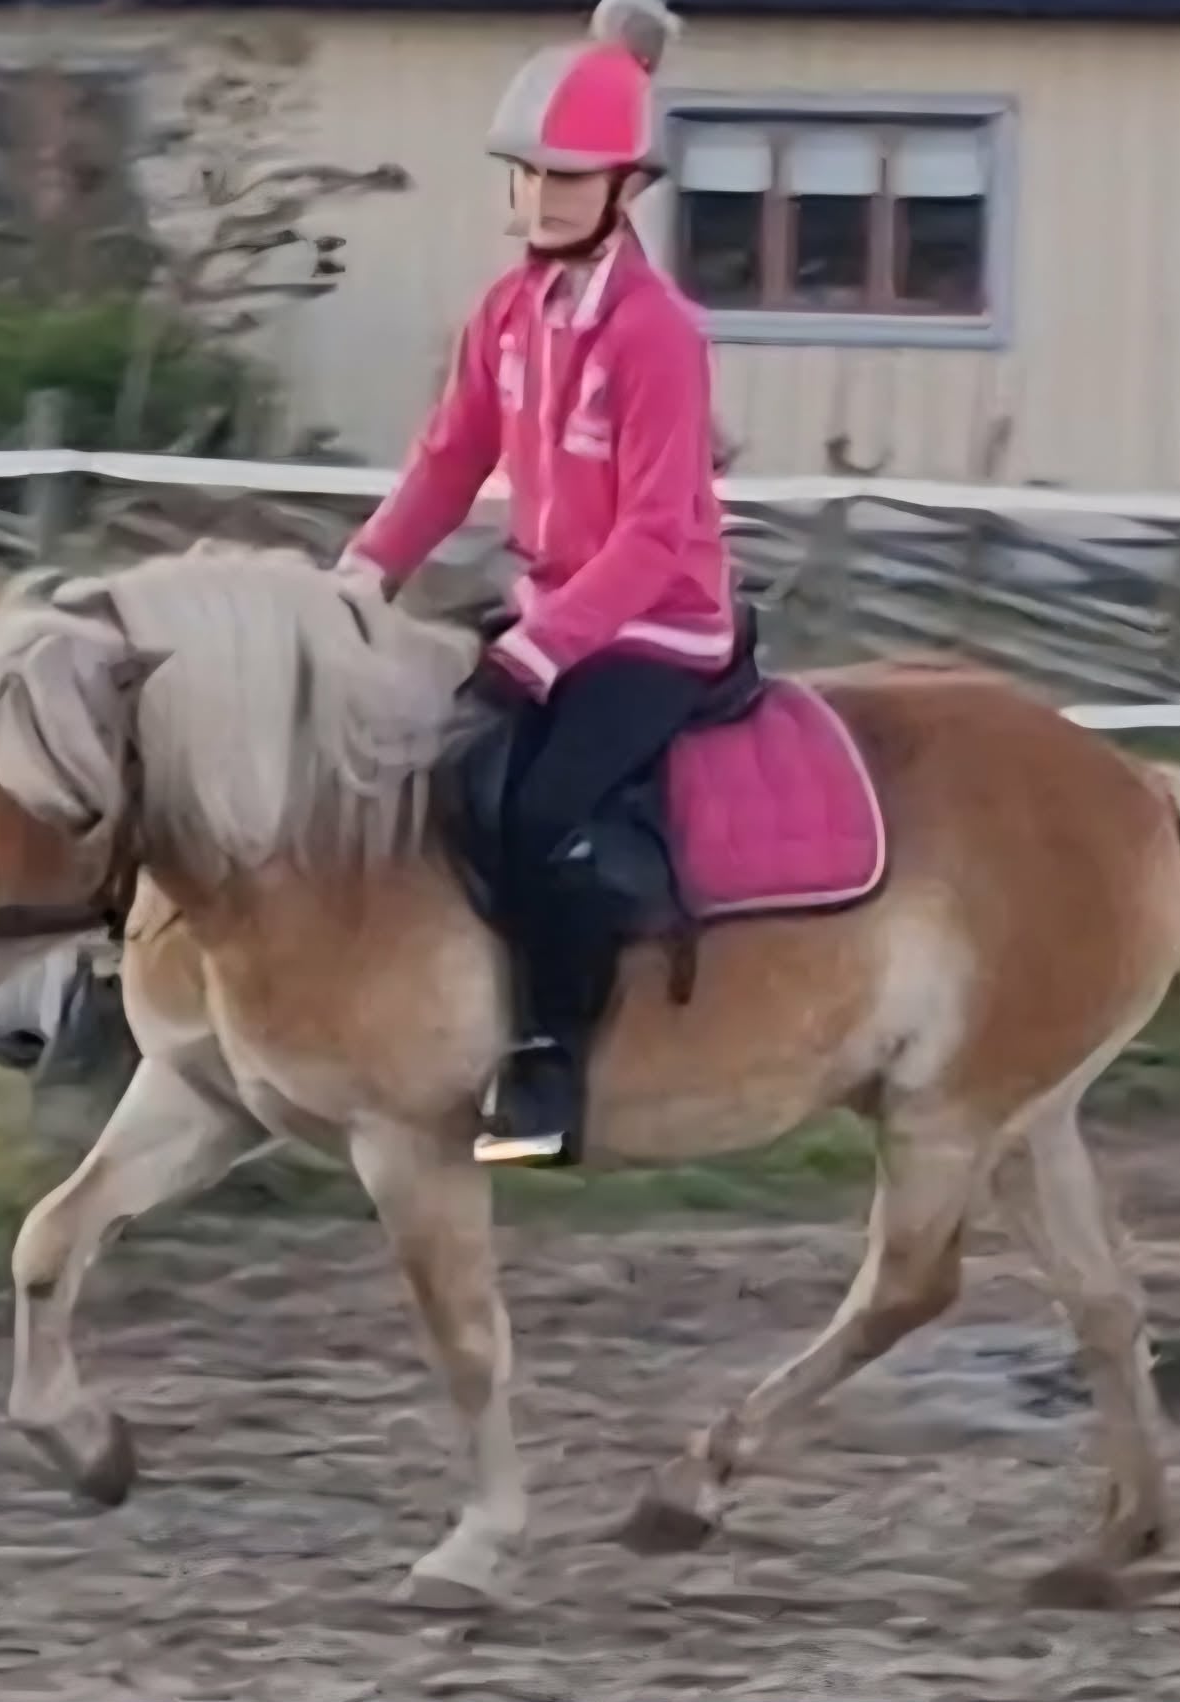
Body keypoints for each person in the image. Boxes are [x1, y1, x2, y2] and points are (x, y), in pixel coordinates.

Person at [334, 0, 736, 1167]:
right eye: (530, 176)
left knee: (537, 807)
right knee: (420, 766)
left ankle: (551, 1067)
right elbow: (450, 459)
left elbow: (658, 535)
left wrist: (543, 649)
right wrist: (362, 575)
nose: (544, 198)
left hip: (657, 631)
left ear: (624, 188)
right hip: (551, 606)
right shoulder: (507, 311)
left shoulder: (659, 334)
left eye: (572, 179)